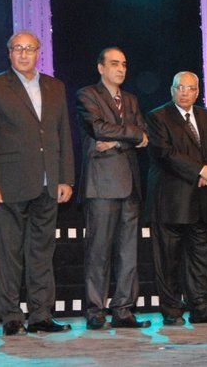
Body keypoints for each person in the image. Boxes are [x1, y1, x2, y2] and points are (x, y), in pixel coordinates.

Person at [0, 31, 75, 336]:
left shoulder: (55, 86)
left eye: (29, 48)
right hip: (8, 184)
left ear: (38, 52)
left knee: (42, 252)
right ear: (9, 53)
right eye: (17, 48)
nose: (23, 53)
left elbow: (63, 134)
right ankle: (10, 316)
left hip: (48, 182)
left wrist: (66, 177)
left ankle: (41, 315)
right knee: (7, 253)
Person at [145, 71, 207, 325]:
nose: (185, 92)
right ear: (172, 90)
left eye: (190, 88)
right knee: (168, 260)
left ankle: (201, 309)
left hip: (203, 200)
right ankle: (172, 311)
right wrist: (200, 170)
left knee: (200, 258)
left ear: (197, 92)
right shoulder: (158, 116)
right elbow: (165, 154)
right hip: (171, 202)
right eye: (180, 87)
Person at [76, 47, 150, 330]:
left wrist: (118, 140)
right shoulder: (87, 95)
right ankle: (95, 310)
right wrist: (131, 135)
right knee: (99, 252)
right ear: (101, 68)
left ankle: (123, 309)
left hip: (130, 185)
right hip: (102, 185)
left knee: (128, 253)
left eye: (124, 64)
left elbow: (145, 135)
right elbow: (98, 128)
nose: (121, 69)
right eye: (114, 64)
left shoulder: (130, 99)